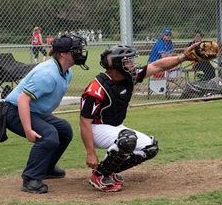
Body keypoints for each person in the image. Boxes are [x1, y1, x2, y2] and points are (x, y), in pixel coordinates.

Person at [80, 43, 198, 192]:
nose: (132, 65)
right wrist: (90, 153)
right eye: (128, 62)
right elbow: (84, 121)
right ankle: (99, 176)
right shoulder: (97, 88)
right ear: (118, 65)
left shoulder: (128, 77)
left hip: (115, 127)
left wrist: (183, 57)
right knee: (127, 140)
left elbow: (158, 66)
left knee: (150, 147)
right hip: (94, 129)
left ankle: (108, 170)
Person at [4, 35, 89, 194]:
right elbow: (23, 99)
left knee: (64, 129)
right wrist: (28, 130)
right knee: (49, 134)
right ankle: (31, 179)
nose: (80, 52)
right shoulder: (48, 74)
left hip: (33, 111)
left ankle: (46, 168)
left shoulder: (66, 71)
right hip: (14, 111)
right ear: (63, 53)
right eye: (75, 50)